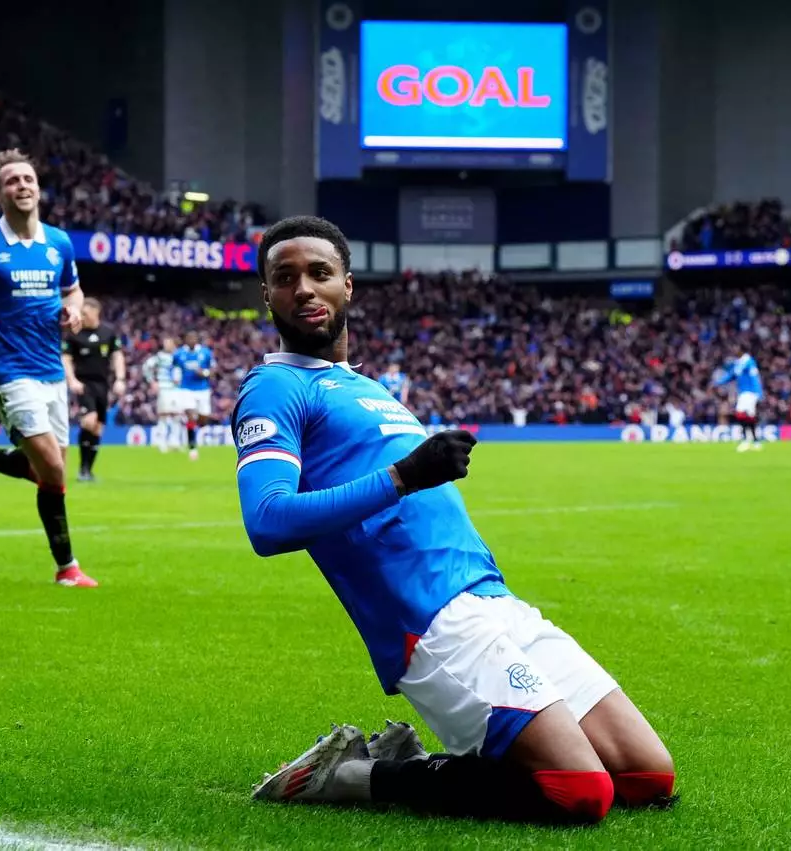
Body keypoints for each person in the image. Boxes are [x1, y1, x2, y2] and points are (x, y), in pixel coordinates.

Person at [232, 216, 674, 825]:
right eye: (285, 278)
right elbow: (267, 521)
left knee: (647, 776)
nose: (304, 288)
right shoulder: (275, 387)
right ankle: (351, 775)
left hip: (494, 601)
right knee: (579, 793)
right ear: (267, 294)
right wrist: (403, 476)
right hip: (428, 624)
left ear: (347, 285)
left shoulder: (368, 387)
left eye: (319, 273)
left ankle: (413, 756)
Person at [0, 149, 98, 588]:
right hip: (11, 371)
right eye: (12, 181)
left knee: (43, 472)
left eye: (28, 179)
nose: (22, 185)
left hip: (52, 372)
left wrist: (74, 309)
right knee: (53, 470)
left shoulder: (59, 243)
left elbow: (74, 290)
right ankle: (67, 568)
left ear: (38, 189)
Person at [62, 297, 125, 481]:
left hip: (102, 384)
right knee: (89, 421)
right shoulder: (74, 333)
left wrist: (120, 379)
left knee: (97, 428)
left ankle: (87, 470)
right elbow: (66, 358)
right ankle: (83, 469)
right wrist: (72, 380)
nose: (82, 316)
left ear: (96, 312)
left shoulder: (108, 332)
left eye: (85, 313)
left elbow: (117, 356)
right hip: (84, 384)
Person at [173, 330, 213, 461]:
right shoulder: (179, 353)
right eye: (189, 338)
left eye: (194, 338)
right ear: (185, 339)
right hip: (186, 389)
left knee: (203, 418)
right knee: (190, 416)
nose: (191, 340)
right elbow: (174, 367)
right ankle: (192, 447)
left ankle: (191, 426)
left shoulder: (205, 353)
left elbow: (213, 370)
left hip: (203, 389)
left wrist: (205, 373)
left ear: (197, 339)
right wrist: (175, 378)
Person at [713, 350, 763, 452]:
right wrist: (718, 382)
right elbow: (731, 375)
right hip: (745, 393)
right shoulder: (740, 363)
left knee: (741, 414)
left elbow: (754, 377)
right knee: (749, 416)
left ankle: (745, 441)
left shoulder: (748, 362)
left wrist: (758, 392)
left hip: (749, 393)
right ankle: (755, 441)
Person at [142, 336, 185, 453]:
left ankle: (175, 441)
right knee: (164, 415)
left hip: (178, 389)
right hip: (164, 388)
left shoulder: (180, 356)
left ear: (174, 344)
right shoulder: (160, 357)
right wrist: (152, 381)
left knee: (177, 415)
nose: (166, 345)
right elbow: (146, 366)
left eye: (168, 343)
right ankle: (161, 441)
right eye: (165, 343)